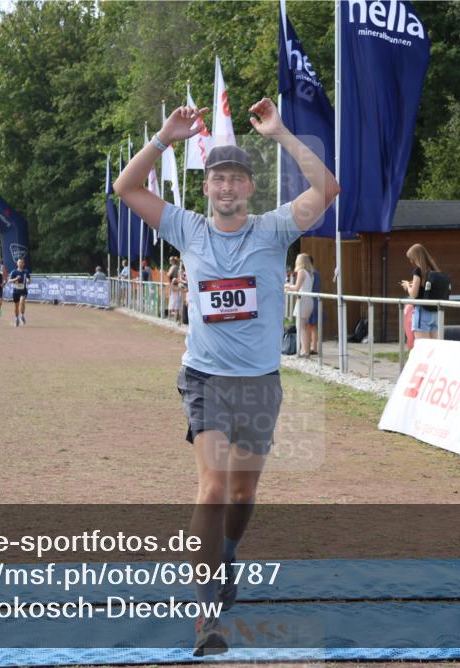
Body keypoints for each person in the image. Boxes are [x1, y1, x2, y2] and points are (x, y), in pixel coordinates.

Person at [113, 98, 339, 655]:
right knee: (213, 486)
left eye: (238, 179)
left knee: (243, 490)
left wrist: (282, 132)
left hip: (260, 382)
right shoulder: (186, 228)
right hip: (205, 378)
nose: (228, 188)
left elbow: (328, 189)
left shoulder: (274, 229)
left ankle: (228, 551)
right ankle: (206, 613)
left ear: (250, 189)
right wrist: (165, 138)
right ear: (207, 188)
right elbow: (127, 187)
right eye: (219, 179)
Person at [401, 243, 441, 340]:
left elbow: (414, 294)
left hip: (422, 312)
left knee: (422, 348)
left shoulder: (418, 271)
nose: (411, 261)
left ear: (416, 258)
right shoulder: (434, 270)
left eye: (411, 258)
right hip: (435, 313)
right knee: (433, 349)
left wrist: (407, 286)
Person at [284, 253, 314, 356]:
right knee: (305, 326)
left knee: (300, 326)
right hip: (309, 300)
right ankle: (306, 350)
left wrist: (287, 285)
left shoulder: (301, 271)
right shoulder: (310, 272)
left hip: (303, 300)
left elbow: (297, 288)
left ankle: (303, 351)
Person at [9, 258, 30, 326]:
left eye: (22, 262)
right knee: (16, 306)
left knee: (22, 302)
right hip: (16, 291)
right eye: (19, 262)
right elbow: (9, 281)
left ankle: (22, 315)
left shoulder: (26, 272)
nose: (20, 263)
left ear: (23, 264)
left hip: (23, 290)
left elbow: (29, 281)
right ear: (17, 263)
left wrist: (28, 281)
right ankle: (16, 318)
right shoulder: (14, 272)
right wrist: (15, 279)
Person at [306, 259, 321, 355]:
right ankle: (313, 346)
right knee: (313, 325)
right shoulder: (316, 273)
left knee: (310, 325)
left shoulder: (311, 273)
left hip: (310, 299)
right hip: (315, 299)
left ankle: (311, 347)